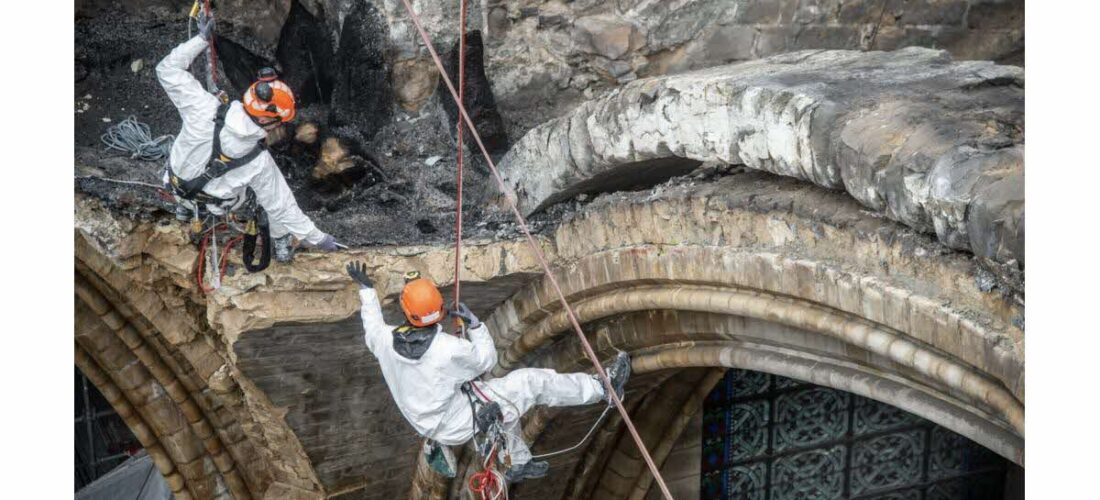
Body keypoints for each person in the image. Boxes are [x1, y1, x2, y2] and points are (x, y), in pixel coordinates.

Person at [345, 262, 631, 482]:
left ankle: (517, 462)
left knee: (505, 407)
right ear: (440, 310)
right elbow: (486, 360)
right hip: (454, 420)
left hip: (425, 417)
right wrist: (476, 326)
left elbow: (372, 324)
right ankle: (603, 388)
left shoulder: (386, 341)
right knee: (529, 383)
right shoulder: (447, 349)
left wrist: (366, 289)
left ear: (407, 311)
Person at [156, 12, 338, 259]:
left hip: (175, 185)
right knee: (269, 197)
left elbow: (167, 69)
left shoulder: (203, 108)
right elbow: (284, 207)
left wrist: (200, 40)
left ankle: (185, 208)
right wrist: (320, 239)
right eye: (279, 122)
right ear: (267, 119)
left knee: (183, 149)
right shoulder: (258, 163)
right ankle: (281, 239)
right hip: (216, 204)